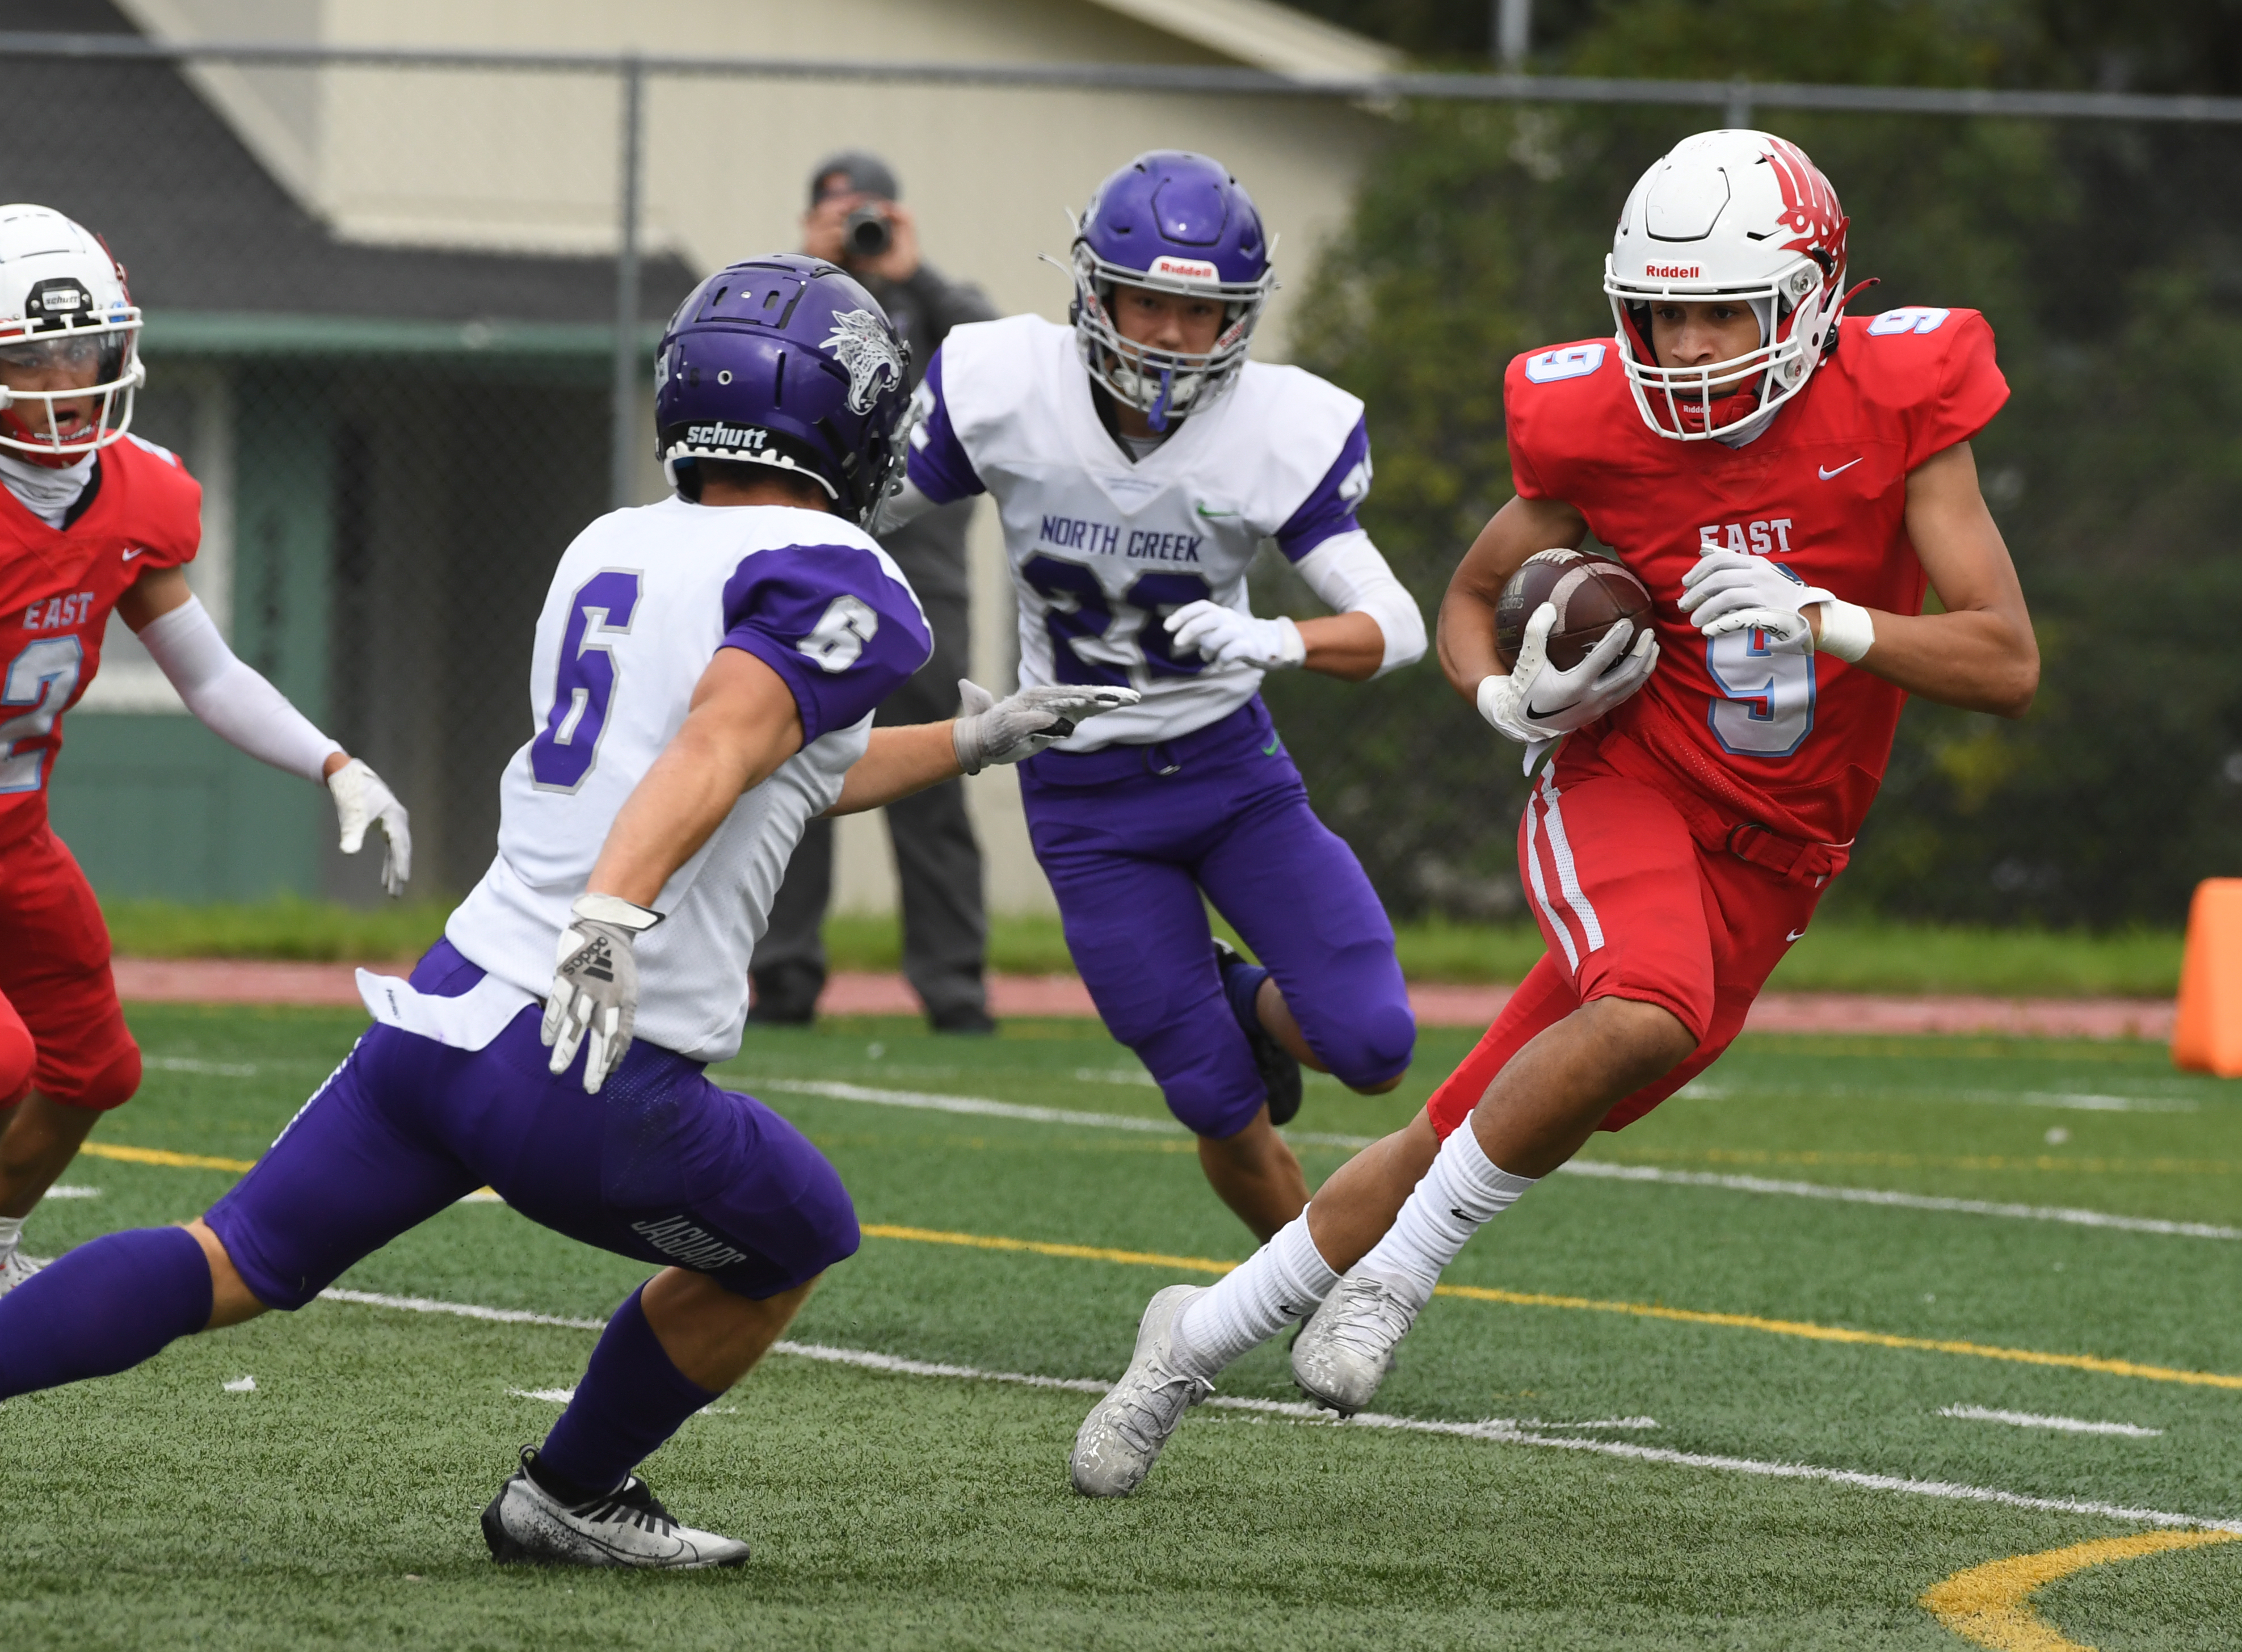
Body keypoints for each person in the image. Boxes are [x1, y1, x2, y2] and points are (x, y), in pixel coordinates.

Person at [0, 255, 1131, 1566]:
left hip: (440, 1015)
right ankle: (571, 1490)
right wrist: (612, 912)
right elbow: (711, 753)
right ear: (846, 417)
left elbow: (750, 771)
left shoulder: (613, 541)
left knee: (231, 1257)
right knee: (800, 1230)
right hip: (582, 1053)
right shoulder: (835, 569)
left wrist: (970, 741)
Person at [1068, 129, 2041, 1497]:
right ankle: (1396, 1280)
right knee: (1645, 1004)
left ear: (1814, 298)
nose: (1691, 348)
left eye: (1723, 312)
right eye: (1662, 313)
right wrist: (1498, 705)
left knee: (1459, 1125)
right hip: (1626, 781)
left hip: (1781, 857)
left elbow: (2003, 660)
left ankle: (1184, 1340)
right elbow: (1470, 599)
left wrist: (1835, 621)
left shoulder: (1898, 398)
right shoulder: (1595, 420)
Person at [880, 150, 1428, 1243]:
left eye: (1202, 309)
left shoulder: (1279, 426)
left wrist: (1278, 635)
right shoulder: (1003, 386)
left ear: (1242, 316)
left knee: (1370, 1047)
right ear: (1093, 291)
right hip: (1085, 801)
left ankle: (1237, 1000)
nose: (1174, 334)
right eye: (1151, 302)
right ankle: (1315, 1286)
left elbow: (1397, 625)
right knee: (1217, 1103)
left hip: (1231, 772)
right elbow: (857, 515)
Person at [0, 203, 410, 1297]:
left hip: (14, 834)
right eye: (33, 358)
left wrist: (333, 761)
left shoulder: (136, 493)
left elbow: (210, 673)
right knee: (6, 1060)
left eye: (82, 347)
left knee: (94, 1069)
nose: (67, 377)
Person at [751, 152, 1003, 1032]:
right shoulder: (797, 300)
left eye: (873, 217)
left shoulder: (938, 310)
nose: (860, 232)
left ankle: (956, 990)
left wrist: (913, 273)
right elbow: (747, 360)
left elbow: (999, 359)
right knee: (786, 773)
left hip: (921, 582)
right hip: (810, 575)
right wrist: (811, 264)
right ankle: (781, 979)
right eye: (841, 217)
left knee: (936, 779)